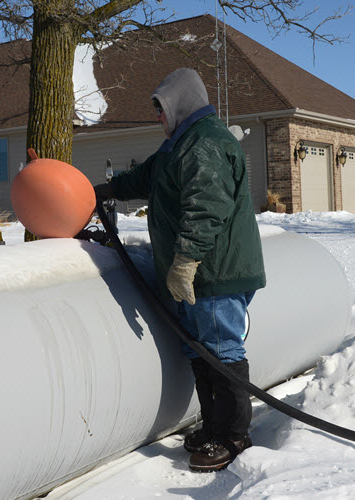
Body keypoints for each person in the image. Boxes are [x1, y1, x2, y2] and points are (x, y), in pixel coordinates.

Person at [93, 67, 266, 472]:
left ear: (180, 103)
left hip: (215, 271)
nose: (157, 117)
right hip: (196, 272)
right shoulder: (181, 144)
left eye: (160, 108)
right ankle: (213, 428)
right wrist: (99, 191)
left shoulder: (205, 143)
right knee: (198, 349)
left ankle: (235, 436)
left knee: (221, 350)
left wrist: (186, 261)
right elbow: (144, 176)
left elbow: (207, 208)